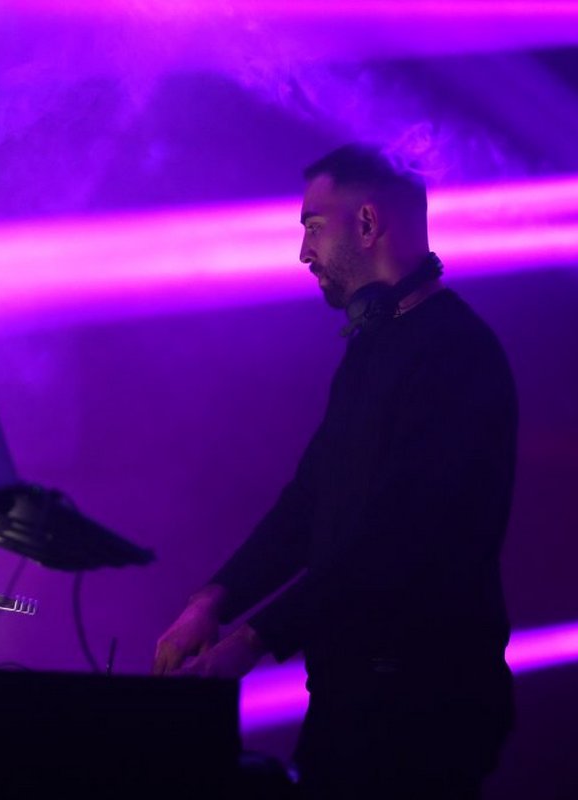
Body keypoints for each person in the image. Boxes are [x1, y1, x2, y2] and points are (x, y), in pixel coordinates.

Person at [152, 143, 517, 799]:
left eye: (314, 226)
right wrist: (212, 600)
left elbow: (396, 537)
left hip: (421, 713)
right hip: (355, 697)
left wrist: (254, 639)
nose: (304, 252)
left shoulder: (455, 353)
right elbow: (308, 501)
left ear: (368, 223)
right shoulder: (373, 348)